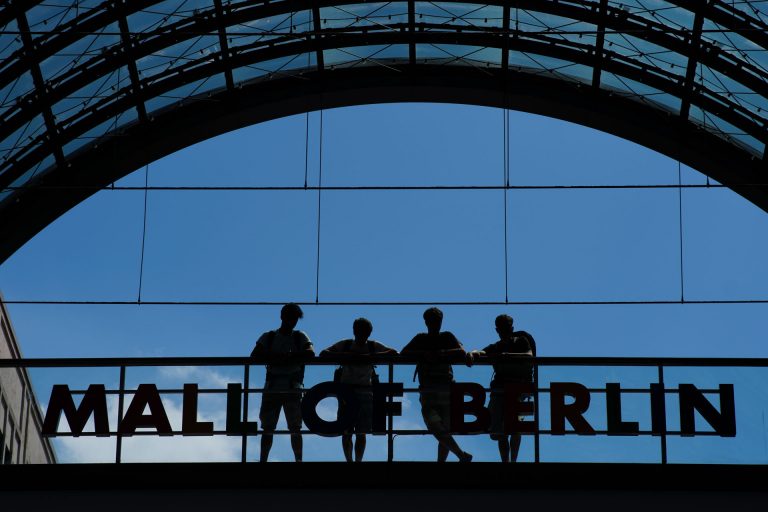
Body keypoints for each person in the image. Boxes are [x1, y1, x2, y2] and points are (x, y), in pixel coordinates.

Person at [320, 317, 398, 462]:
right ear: (355, 331)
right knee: (351, 431)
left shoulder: (364, 346)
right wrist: (349, 356)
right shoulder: (348, 345)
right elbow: (324, 353)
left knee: (356, 431)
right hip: (352, 393)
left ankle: (354, 462)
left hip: (355, 393)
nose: (362, 335)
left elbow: (394, 353)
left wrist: (368, 356)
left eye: (364, 332)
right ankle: (353, 462)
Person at [401, 307, 472, 462]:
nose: (435, 324)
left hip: (445, 388)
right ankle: (460, 454)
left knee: (442, 428)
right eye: (432, 321)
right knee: (435, 425)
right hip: (429, 390)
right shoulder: (421, 339)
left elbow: (462, 352)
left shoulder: (446, 336)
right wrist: (423, 354)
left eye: (437, 321)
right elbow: (403, 354)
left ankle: (443, 463)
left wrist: (440, 354)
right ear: (426, 322)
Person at [250, 303, 314, 462]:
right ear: (283, 317)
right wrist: (284, 357)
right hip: (284, 387)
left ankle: (269, 460)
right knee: (278, 428)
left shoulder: (291, 336)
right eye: (291, 318)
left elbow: (310, 354)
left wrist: (280, 357)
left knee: (285, 428)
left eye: (294, 319)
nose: (292, 322)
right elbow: (255, 355)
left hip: (281, 387)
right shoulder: (272, 336)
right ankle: (295, 460)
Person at [469, 314, 536, 462]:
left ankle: (512, 462)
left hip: (517, 391)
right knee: (499, 429)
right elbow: (482, 352)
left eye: (505, 328)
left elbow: (529, 355)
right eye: (501, 329)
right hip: (501, 391)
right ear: (497, 330)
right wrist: (473, 353)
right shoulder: (497, 346)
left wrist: (507, 356)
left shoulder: (521, 341)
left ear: (510, 328)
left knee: (516, 426)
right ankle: (506, 461)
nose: (503, 332)